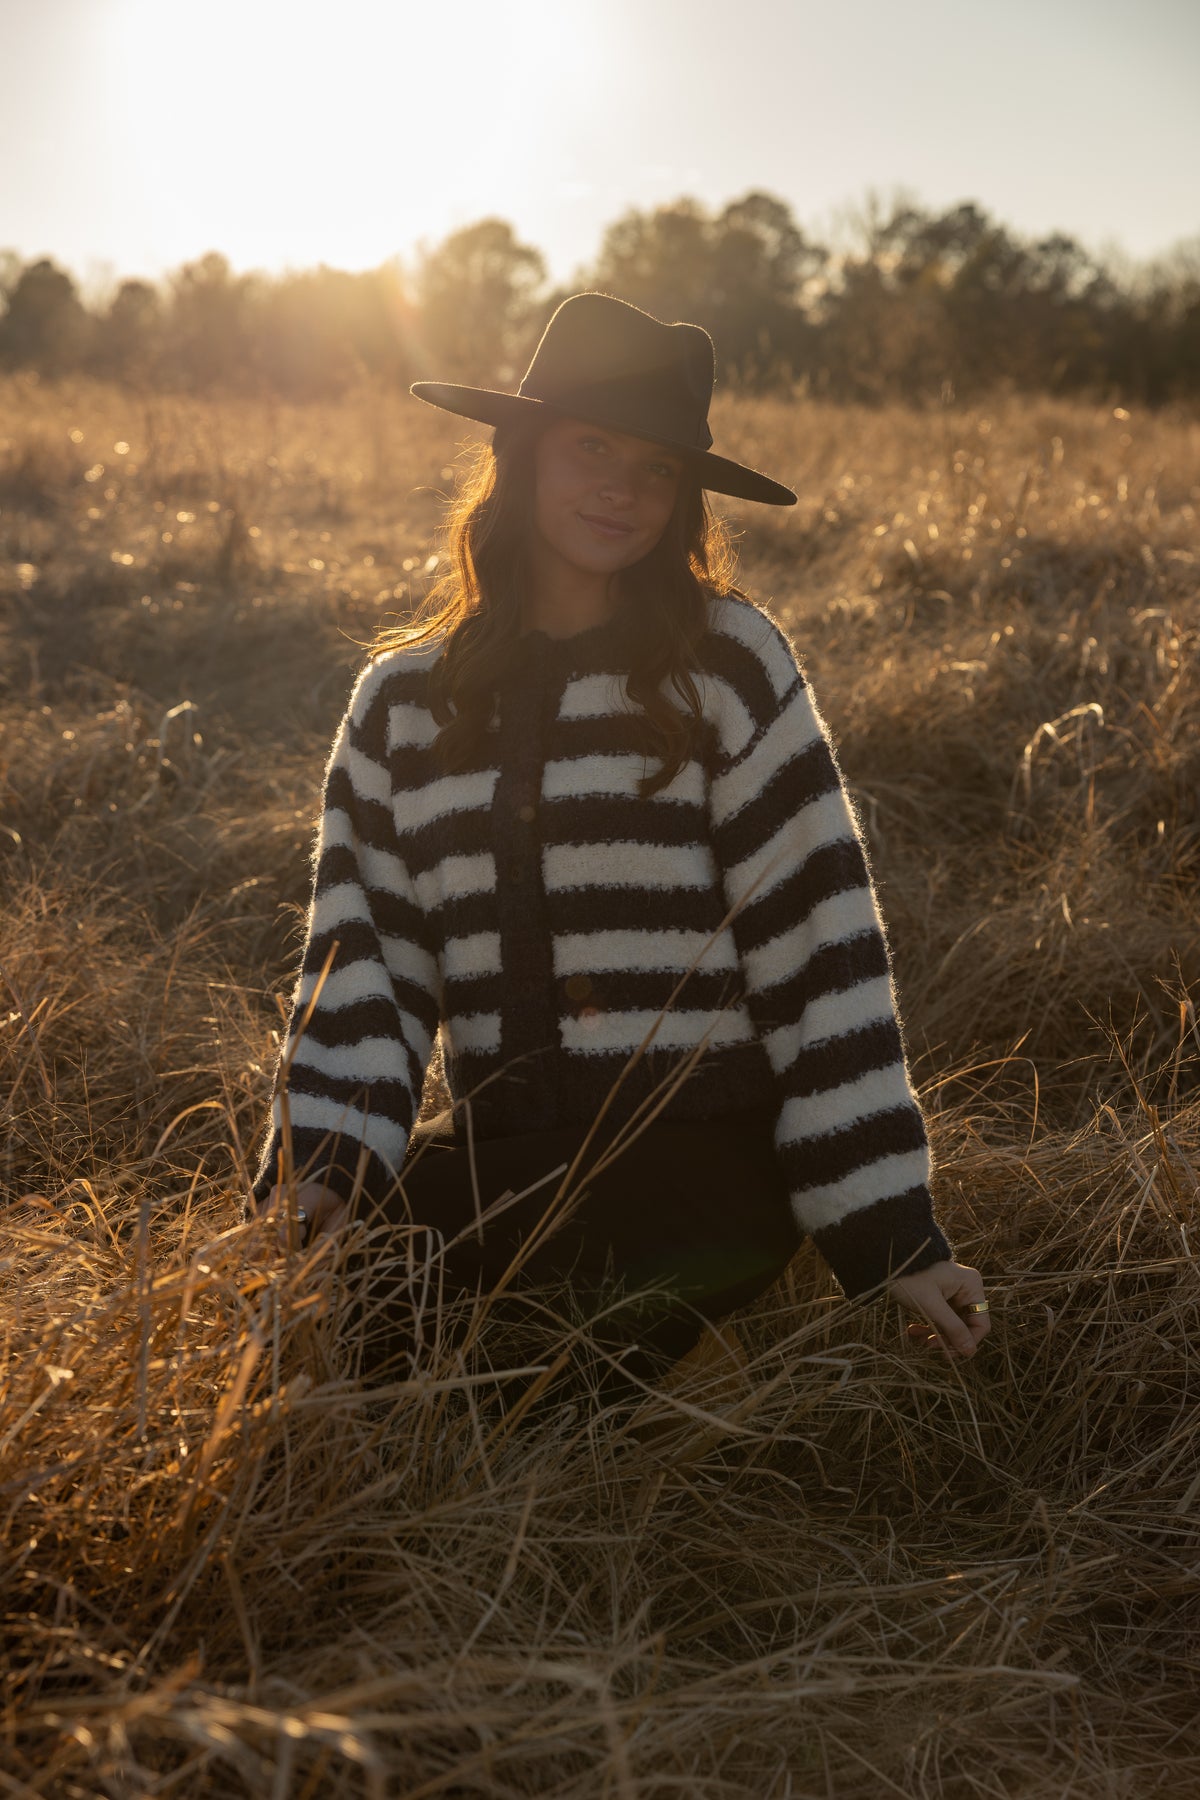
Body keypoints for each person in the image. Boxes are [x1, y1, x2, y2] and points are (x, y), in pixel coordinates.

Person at [252, 292, 989, 1406]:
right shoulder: (403, 702)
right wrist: (329, 1166)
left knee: (513, 1371)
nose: (623, 490)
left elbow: (818, 938)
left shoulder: (727, 663)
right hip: (513, 1144)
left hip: (704, 1158)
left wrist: (892, 1229)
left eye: (656, 468)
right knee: (332, 1323)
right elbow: (365, 962)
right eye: (592, 447)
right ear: (521, 453)